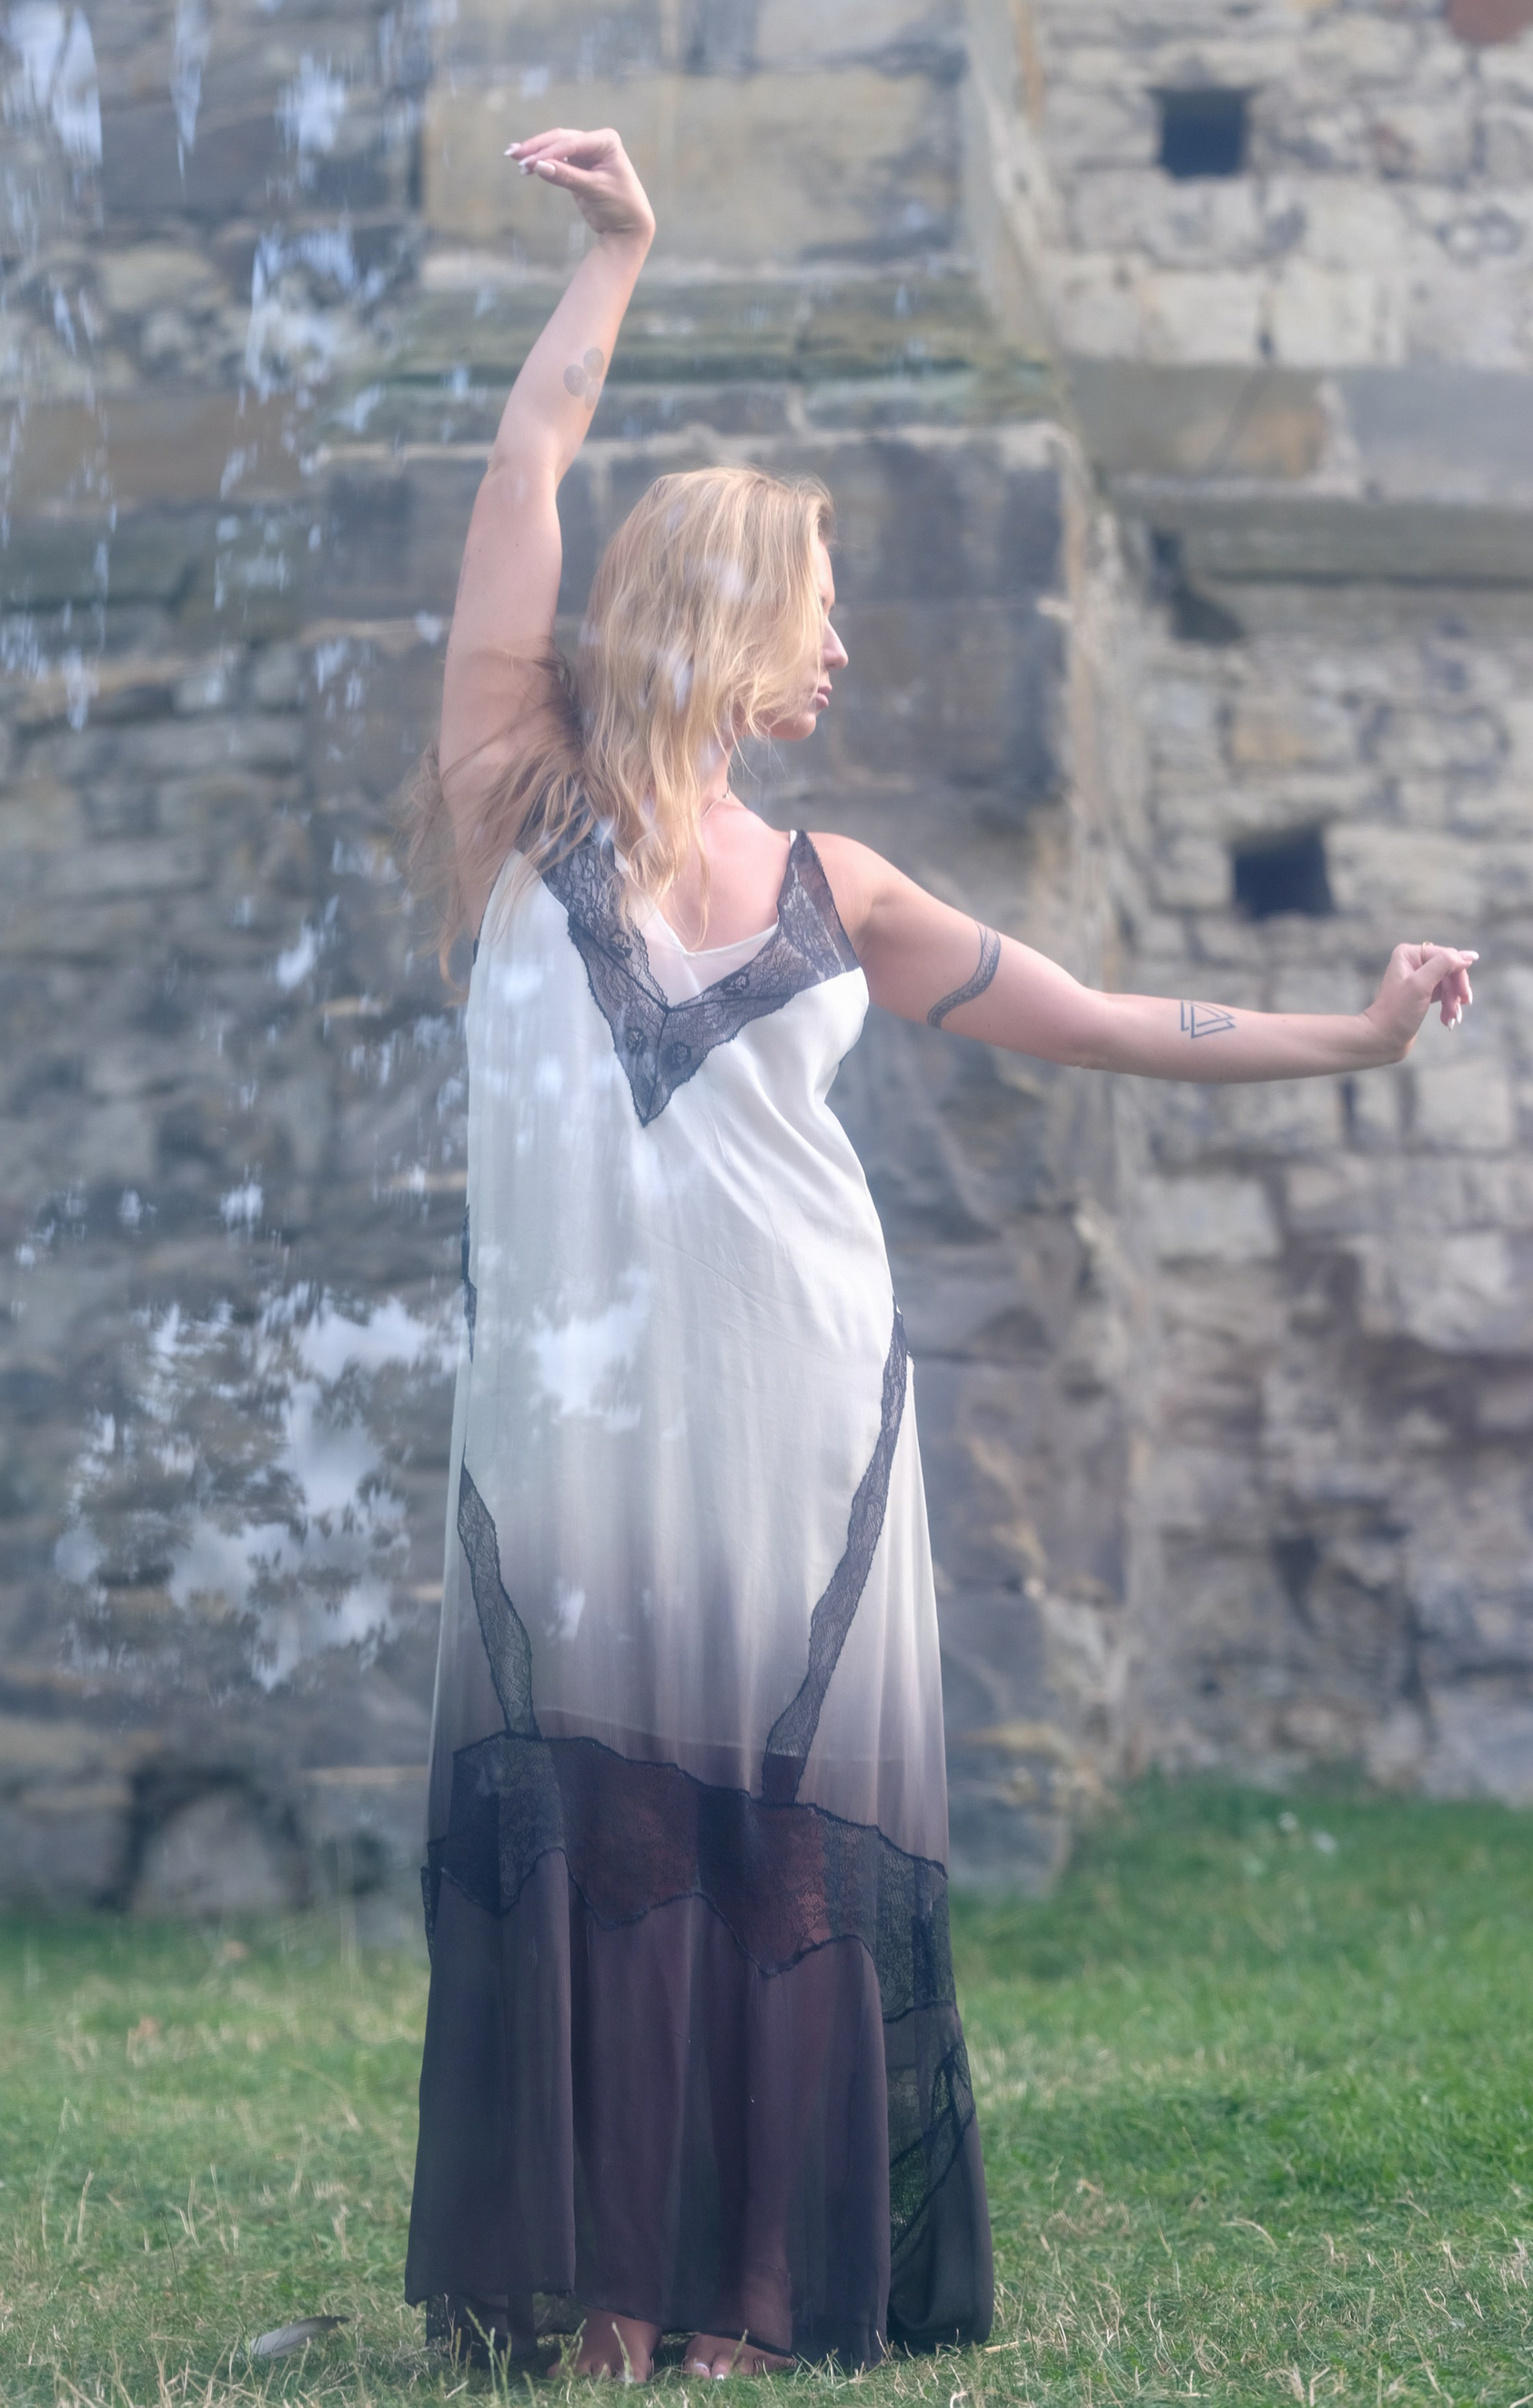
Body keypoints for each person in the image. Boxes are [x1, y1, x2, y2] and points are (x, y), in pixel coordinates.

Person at [400, 126, 1478, 2384]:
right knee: (602, 1826)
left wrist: (1356, 1032)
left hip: (802, 1416)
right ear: (728, 614)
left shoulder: (846, 886)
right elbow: (529, 457)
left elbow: (1096, 1016)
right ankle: (618, 2296)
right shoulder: (514, 793)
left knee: (771, 1848)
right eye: (818, 607)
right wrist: (619, 252)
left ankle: (743, 2297)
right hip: (575, 1426)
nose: (842, 644)